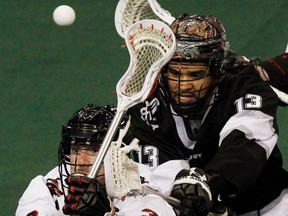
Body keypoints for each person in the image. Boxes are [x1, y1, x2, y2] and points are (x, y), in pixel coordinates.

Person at [127, 14, 288, 215]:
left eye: (195, 75)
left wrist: (210, 182)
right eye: (175, 73)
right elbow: (162, 176)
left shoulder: (245, 87)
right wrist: (190, 194)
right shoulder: (147, 110)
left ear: (217, 73)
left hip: (269, 207)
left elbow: (247, 143)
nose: (183, 85)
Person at [16, 104, 178, 216]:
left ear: (118, 154)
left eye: (94, 151)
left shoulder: (139, 187)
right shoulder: (46, 189)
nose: (81, 161)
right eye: (76, 150)